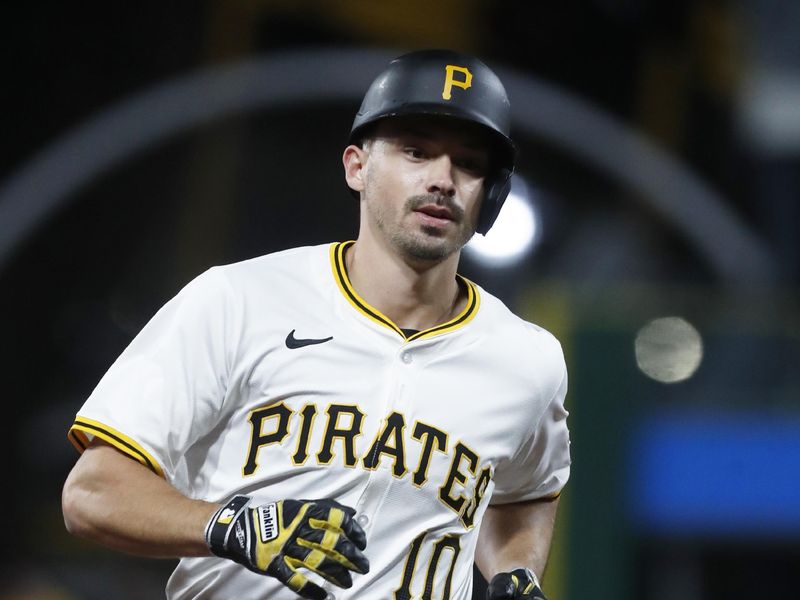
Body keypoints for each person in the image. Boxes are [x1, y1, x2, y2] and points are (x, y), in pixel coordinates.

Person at [62, 49, 570, 600]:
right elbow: (91, 494)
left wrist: (516, 570)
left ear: (491, 193)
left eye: (469, 163)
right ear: (357, 166)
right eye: (416, 151)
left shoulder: (528, 361)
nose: (443, 179)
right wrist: (227, 526)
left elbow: (527, 493)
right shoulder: (239, 300)